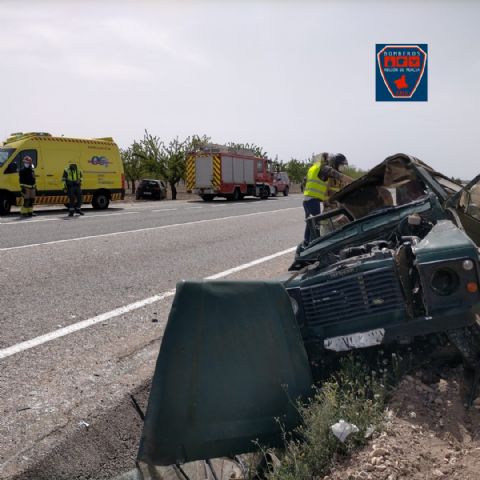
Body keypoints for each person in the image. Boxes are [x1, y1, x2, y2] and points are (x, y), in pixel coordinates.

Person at [303, 152, 352, 244]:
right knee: (315, 224)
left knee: (311, 223)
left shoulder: (314, 169)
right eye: (341, 165)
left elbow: (305, 182)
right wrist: (356, 182)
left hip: (309, 200)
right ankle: (311, 245)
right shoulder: (325, 170)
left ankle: (306, 243)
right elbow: (340, 177)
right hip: (315, 201)